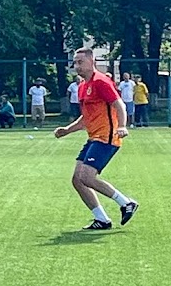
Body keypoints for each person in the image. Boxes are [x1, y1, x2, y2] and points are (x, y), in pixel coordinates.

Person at [54, 48, 139, 230]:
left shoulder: (101, 81)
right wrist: (67, 130)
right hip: (94, 137)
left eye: (80, 62)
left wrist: (122, 126)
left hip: (107, 136)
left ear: (91, 62)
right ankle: (102, 219)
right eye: (75, 62)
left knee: (86, 176)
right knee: (77, 179)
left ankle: (126, 203)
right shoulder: (82, 86)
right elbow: (86, 118)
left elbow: (119, 105)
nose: (77, 66)